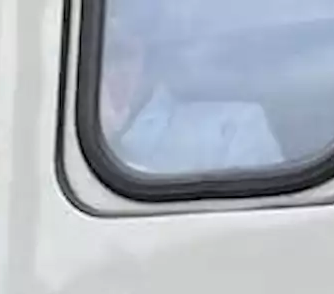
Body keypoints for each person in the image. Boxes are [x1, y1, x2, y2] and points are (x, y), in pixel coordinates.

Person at [99, 5, 285, 174]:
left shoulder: (232, 130)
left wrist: (108, 147)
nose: (102, 71)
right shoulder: (72, 130)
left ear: (150, 61)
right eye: (96, 55)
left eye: (117, 54)